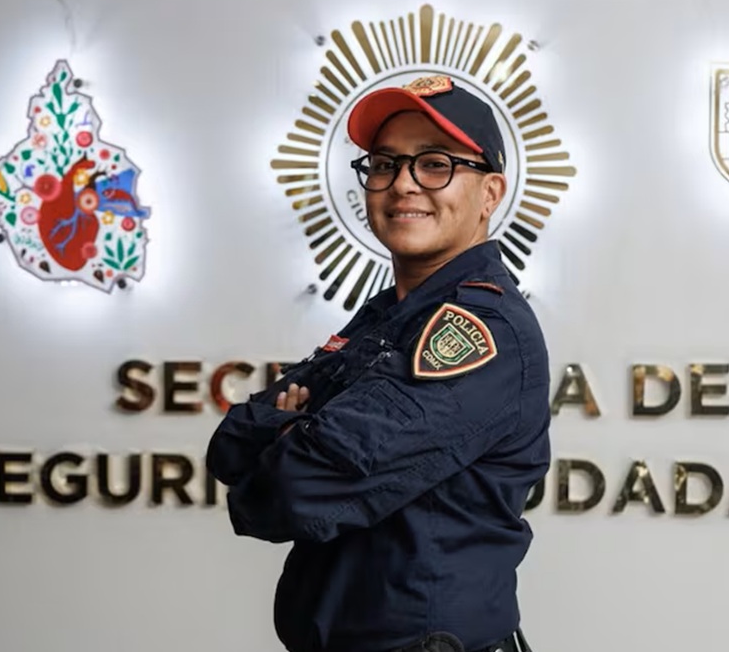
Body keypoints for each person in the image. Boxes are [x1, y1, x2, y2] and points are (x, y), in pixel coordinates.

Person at [206, 74, 551, 652]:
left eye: (435, 164)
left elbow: (293, 492)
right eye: (386, 164)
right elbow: (231, 446)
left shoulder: (483, 330)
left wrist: (291, 435)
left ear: (490, 193)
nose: (403, 184)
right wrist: (289, 434)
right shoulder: (387, 314)